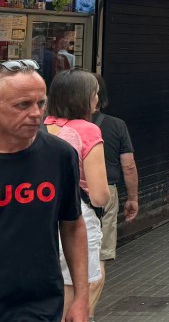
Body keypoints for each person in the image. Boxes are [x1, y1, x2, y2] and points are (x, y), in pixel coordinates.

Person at [0, 59, 90, 322]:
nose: (36, 113)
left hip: (39, 303)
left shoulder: (59, 155)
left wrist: (81, 298)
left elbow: (72, 224)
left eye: (41, 103)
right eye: (23, 105)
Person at [44, 70, 110, 318]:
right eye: (95, 93)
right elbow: (99, 195)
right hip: (77, 217)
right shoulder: (87, 130)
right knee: (76, 291)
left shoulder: (41, 127)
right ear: (82, 97)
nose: (97, 99)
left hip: (43, 213)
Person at [92, 76, 138, 286]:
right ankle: (89, 304)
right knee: (100, 254)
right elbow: (128, 165)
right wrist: (132, 198)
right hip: (105, 191)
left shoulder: (56, 125)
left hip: (67, 192)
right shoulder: (116, 125)